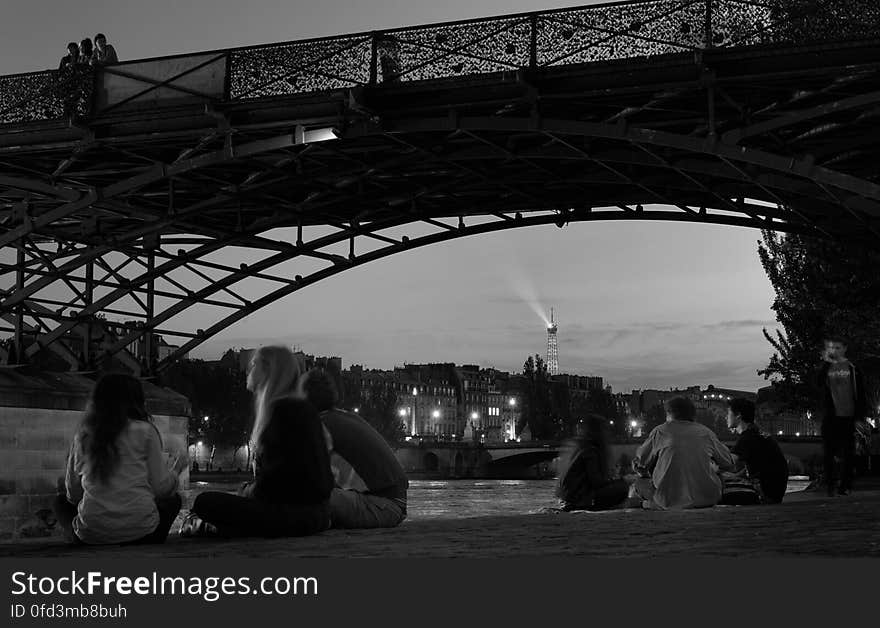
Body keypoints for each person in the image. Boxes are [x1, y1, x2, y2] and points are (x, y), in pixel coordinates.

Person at [182, 346, 333, 537]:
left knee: (204, 502)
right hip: (314, 514)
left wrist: (249, 493)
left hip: (294, 515)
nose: (248, 369)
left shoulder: (282, 412)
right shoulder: (299, 409)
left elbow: (275, 484)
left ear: (268, 370)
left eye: (254, 364)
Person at [53, 374, 185, 545]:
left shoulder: (84, 435)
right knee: (173, 501)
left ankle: (79, 536)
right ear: (137, 401)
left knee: (60, 502)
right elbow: (160, 489)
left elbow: (73, 494)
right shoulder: (146, 431)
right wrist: (176, 469)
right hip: (143, 535)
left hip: (91, 537)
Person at [301, 368, 409, 528]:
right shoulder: (342, 417)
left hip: (383, 505)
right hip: (391, 503)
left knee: (300, 498)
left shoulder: (320, 426)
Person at [630, 397, 735, 509]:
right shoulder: (706, 433)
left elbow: (640, 463)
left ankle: (650, 504)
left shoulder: (660, 432)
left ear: (669, 413)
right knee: (719, 476)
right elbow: (728, 463)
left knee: (639, 483)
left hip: (668, 499)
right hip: (707, 499)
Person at [815, 335, 868, 496]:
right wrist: (826, 364)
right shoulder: (826, 368)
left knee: (848, 452)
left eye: (838, 347)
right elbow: (817, 383)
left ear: (844, 348)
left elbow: (860, 393)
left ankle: (845, 485)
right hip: (831, 415)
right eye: (832, 348)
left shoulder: (852, 368)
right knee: (829, 451)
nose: (834, 351)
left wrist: (860, 416)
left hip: (848, 415)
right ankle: (830, 485)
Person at [555, 414, 629, 511]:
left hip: (566, 498)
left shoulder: (576, 445)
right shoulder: (590, 450)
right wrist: (621, 480)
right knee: (622, 488)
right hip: (580, 499)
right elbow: (596, 481)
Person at [723, 398, 788, 504]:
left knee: (719, 491)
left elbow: (727, 462)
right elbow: (759, 466)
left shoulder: (748, 437)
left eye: (728, 413)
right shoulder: (757, 433)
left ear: (738, 415)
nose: (726, 417)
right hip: (775, 491)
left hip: (764, 494)